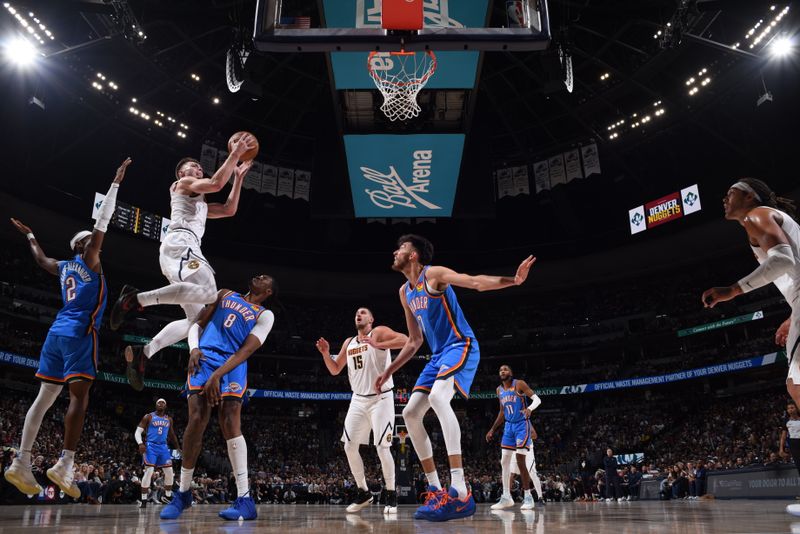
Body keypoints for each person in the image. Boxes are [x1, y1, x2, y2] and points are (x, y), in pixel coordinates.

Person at [374, 234, 536, 521]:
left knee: (438, 397)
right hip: (437, 356)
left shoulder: (433, 275)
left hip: (461, 344)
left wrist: (513, 280)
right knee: (410, 414)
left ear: (414, 255)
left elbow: (473, 281)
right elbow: (413, 341)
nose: (395, 251)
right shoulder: (404, 292)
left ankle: (460, 489)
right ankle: (436, 490)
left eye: (401, 248)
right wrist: (389, 370)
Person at [3, 158, 131, 498]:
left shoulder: (62, 268)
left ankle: (22, 461)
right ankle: (65, 463)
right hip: (78, 333)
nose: (98, 245)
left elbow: (39, 259)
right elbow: (102, 221)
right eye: (92, 242)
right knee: (81, 397)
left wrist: (30, 235)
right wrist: (115, 184)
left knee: (43, 399)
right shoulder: (89, 258)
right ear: (84, 246)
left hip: (55, 334)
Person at [109, 134, 257, 391]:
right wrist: (234, 154)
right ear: (181, 172)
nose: (198, 169)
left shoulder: (199, 203)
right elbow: (214, 183)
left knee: (197, 320)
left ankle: (144, 353)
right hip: (182, 245)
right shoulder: (183, 184)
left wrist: (239, 178)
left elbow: (229, 209)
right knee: (211, 293)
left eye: (199, 167)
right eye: (194, 166)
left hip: (183, 250)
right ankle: (134, 299)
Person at [698, 179, 799, 515]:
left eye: (731, 192)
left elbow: (784, 260)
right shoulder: (765, 216)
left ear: (749, 195)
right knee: (794, 384)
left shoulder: (757, 214)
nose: (725, 197)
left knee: (797, 386)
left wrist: (733, 290)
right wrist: (791, 314)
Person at [160, 275, 275, 521]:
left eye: (265, 278)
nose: (259, 276)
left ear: (268, 292)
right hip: (204, 357)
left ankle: (245, 499)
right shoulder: (224, 293)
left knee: (230, 422)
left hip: (233, 364)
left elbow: (247, 350)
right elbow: (198, 323)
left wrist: (217, 376)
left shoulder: (265, 314)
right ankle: (183, 493)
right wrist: (193, 348)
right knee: (197, 418)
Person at [315, 307, 408, 514]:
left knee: (382, 448)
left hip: (381, 398)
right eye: (357, 312)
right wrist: (324, 353)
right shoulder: (349, 342)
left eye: (363, 312)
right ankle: (363, 491)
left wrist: (379, 344)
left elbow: (406, 340)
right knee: (348, 445)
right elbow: (335, 369)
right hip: (357, 399)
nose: (359, 314)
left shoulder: (379, 332)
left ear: (371, 319)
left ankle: (391, 495)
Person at [485, 365, 542, 510]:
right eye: (500, 370)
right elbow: (502, 411)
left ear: (511, 372)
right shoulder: (499, 390)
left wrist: (529, 408)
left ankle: (528, 497)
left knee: (520, 460)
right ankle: (506, 497)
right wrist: (492, 429)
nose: (502, 371)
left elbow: (537, 400)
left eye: (505, 369)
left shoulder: (519, 384)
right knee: (504, 461)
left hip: (522, 425)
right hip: (509, 427)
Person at [135, 398, 180, 508]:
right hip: (151, 446)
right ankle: (144, 499)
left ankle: (167, 496)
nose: (161, 404)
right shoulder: (148, 416)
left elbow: (172, 435)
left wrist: (178, 447)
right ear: (155, 405)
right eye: (159, 402)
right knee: (149, 471)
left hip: (163, 447)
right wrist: (140, 443)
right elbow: (138, 431)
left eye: (163, 402)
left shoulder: (169, 419)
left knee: (169, 471)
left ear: (166, 406)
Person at [509, 424, 544, 506]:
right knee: (510, 472)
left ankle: (540, 497)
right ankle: (507, 496)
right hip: (516, 450)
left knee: (532, 473)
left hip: (528, 450)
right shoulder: (511, 422)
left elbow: (535, 435)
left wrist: (523, 437)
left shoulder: (526, 422)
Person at [780, 401, 800, 478]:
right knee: (799, 465)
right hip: (794, 444)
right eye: (788, 408)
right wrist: (781, 449)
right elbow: (783, 436)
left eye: (792, 407)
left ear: (797, 409)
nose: (790, 410)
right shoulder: (786, 421)